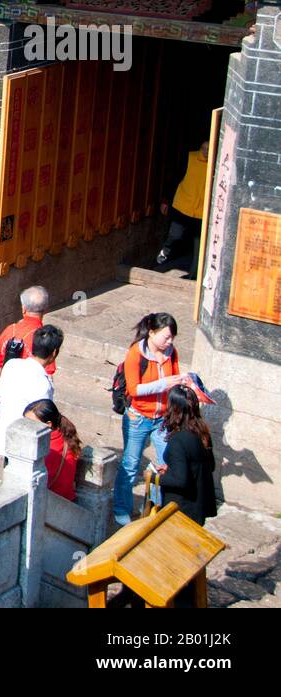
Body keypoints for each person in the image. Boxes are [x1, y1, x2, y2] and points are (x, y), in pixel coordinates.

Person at [114, 312, 190, 526]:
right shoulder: (135, 354)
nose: (170, 341)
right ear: (152, 332)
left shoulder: (171, 353)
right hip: (138, 417)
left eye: (172, 337)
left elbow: (173, 381)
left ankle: (152, 506)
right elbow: (134, 389)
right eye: (166, 337)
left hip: (162, 418)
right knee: (130, 464)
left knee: (166, 463)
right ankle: (121, 509)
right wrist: (165, 383)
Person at [0, 324, 62, 460]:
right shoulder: (43, 384)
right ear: (54, 352)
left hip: (4, 436)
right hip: (24, 444)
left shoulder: (12, 364)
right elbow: (41, 419)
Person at [156, 384, 217, 526]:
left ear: (174, 408)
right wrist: (172, 467)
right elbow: (210, 466)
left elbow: (180, 481)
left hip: (180, 510)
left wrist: (155, 477)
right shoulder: (202, 431)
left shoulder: (177, 441)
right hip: (198, 507)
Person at [157, 141, 210, 266]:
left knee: (199, 242)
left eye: (209, 149)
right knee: (175, 235)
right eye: (204, 148)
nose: (206, 152)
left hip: (202, 209)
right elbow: (175, 178)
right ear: (200, 148)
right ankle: (165, 252)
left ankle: (195, 272)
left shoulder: (217, 162)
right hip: (183, 204)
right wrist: (165, 200)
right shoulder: (189, 158)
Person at [0, 286, 55, 383]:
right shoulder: (44, 338)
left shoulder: (9, 330)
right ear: (46, 309)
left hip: (7, 390)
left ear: (23, 309)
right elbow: (48, 374)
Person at [23, 399, 82, 502]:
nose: (25, 426)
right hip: (66, 498)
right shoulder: (64, 436)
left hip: (52, 502)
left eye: (31, 422)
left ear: (48, 424)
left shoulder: (47, 449)